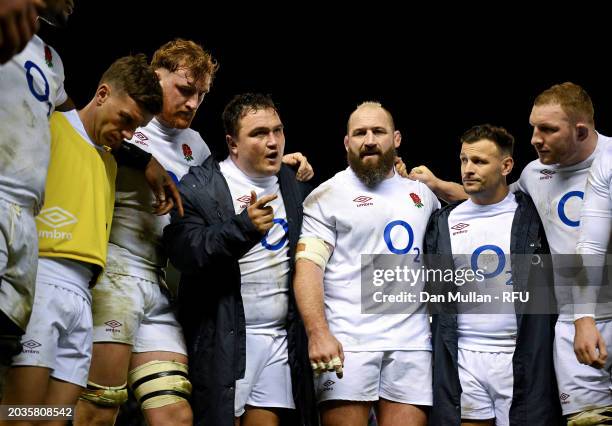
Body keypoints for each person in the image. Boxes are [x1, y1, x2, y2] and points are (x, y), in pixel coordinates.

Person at [75, 40, 314, 426]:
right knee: (99, 406)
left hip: (160, 279)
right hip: (111, 269)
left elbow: (224, 178)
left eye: (201, 95)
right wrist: (145, 160)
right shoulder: (128, 118)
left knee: (175, 415)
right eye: (185, 90)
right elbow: (81, 129)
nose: (192, 103)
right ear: (156, 78)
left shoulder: (196, 145)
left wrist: (274, 163)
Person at [409, 82, 612, 424]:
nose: (535, 138)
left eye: (547, 129)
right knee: (589, 420)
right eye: (534, 127)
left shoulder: (607, 162)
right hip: (572, 321)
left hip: (585, 317)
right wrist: (440, 186)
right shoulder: (535, 174)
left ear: (580, 130)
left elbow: (590, 245)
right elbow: (494, 198)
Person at [0, 54, 164, 424]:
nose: (126, 132)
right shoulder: (49, 126)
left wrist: (146, 159)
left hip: (84, 294)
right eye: (125, 119)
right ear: (103, 94)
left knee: (55, 418)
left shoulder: (109, 160)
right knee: (20, 415)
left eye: (134, 127)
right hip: (41, 281)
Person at [163, 93, 317, 426]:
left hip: (280, 338)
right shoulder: (200, 186)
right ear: (233, 144)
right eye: (259, 133)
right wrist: (242, 227)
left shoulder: (294, 185)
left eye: (278, 130)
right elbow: (185, 252)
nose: (273, 141)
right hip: (227, 339)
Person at [293, 101, 440, 426]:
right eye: (360, 133)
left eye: (378, 131)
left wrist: (441, 185)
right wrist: (318, 334)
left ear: (396, 138)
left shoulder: (422, 195)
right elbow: (308, 269)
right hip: (348, 343)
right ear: (347, 142)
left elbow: (478, 206)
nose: (369, 139)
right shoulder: (326, 196)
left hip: (412, 345)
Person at [424, 124, 560, 425]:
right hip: (464, 356)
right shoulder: (443, 222)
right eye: (463, 160)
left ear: (506, 165)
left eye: (479, 161)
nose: (468, 169)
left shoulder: (534, 216)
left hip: (520, 355)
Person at [0, 0, 73, 371]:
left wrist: (144, 159)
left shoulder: (52, 60)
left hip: (28, 214)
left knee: (7, 342)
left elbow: (78, 120)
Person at [571, 141, 612, 424]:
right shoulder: (607, 162)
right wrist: (584, 316)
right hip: (592, 314)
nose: (535, 138)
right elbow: (592, 245)